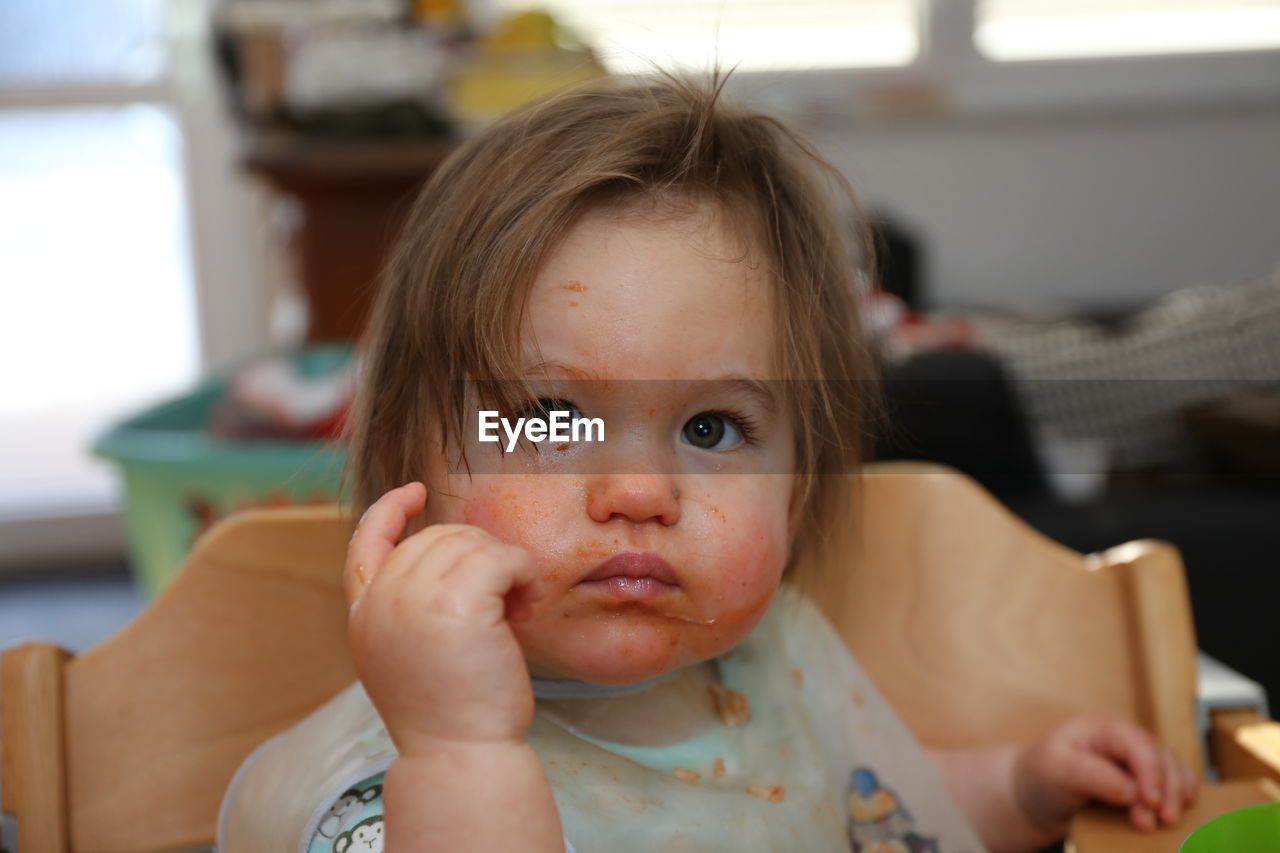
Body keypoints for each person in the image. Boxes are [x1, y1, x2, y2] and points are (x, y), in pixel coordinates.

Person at [217, 73, 1198, 853]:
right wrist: (458, 749)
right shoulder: (380, 793)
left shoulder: (760, 663)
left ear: (801, 482)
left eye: (711, 430)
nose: (639, 491)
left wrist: (1022, 787)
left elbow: (859, 805)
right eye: (552, 419)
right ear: (404, 460)